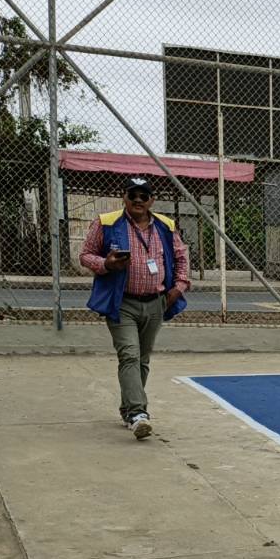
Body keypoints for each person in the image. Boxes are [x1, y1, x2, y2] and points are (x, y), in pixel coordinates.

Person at [80, 176, 190, 439]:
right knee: (129, 354)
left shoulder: (165, 226)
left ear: (152, 200)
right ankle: (139, 414)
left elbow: (181, 257)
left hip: (156, 302)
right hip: (122, 302)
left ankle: (128, 408)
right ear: (124, 198)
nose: (138, 200)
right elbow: (85, 255)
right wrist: (106, 264)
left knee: (142, 359)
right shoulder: (106, 223)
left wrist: (179, 287)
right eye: (133, 195)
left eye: (144, 196)